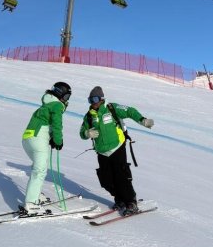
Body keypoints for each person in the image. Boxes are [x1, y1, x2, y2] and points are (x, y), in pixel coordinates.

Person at [79, 86, 154, 215]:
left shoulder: (111, 108)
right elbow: (82, 133)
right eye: (90, 100)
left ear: (101, 99)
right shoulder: (89, 116)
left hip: (117, 148)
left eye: (95, 99)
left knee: (121, 177)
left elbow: (129, 111)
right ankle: (119, 200)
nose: (93, 103)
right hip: (101, 152)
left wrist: (142, 120)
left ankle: (131, 202)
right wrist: (87, 133)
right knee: (106, 180)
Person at [19, 82, 72, 215]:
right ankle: (31, 203)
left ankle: (35, 195)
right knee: (40, 170)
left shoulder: (46, 104)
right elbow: (57, 124)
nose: (66, 100)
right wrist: (58, 140)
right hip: (38, 138)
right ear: (60, 94)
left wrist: (52, 138)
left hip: (27, 139)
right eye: (66, 97)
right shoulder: (57, 105)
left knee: (38, 167)